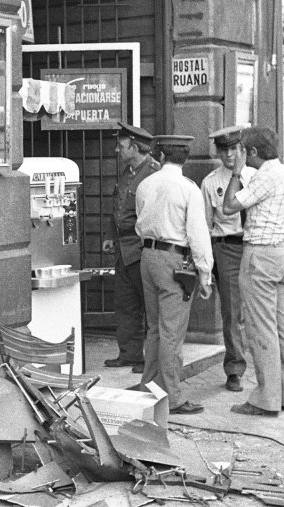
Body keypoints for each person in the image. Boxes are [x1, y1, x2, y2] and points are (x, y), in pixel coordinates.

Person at [222, 126, 284, 417]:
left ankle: (265, 399)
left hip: (260, 255)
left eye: (242, 150)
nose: (238, 155)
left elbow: (229, 206)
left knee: (260, 328)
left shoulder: (264, 176)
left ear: (253, 152)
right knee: (282, 327)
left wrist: (236, 174)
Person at [132, 134, 214, 415]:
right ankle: (172, 397)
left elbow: (139, 223)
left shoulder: (145, 184)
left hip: (148, 255)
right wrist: (205, 274)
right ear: (185, 158)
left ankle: (149, 389)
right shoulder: (188, 188)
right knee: (172, 332)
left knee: (154, 327)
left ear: (160, 156)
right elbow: (198, 235)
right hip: (174, 259)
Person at [201, 125, 256, 393]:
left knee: (262, 310)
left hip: (256, 247)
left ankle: (270, 365)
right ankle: (235, 369)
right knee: (232, 313)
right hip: (228, 249)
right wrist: (208, 264)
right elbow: (206, 226)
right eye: (223, 150)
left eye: (234, 149)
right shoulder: (211, 182)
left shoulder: (257, 177)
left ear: (243, 150)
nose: (229, 155)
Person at [103, 123, 161, 373]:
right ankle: (130, 354)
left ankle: (150, 359)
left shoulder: (154, 173)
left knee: (149, 306)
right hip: (123, 248)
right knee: (125, 303)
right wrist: (109, 235)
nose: (117, 149)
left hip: (141, 247)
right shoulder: (127, 173)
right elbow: (117, 207)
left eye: (121, 145)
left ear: (134, 147)